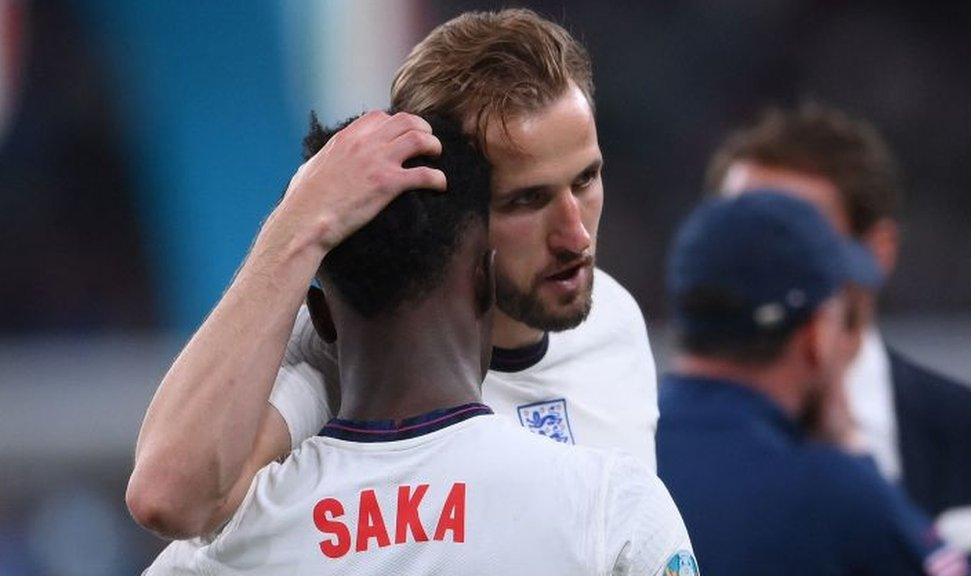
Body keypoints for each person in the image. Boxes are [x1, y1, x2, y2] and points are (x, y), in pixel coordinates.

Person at [127, 9, 658, 540]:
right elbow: (166, 497)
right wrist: (296, 223)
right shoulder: (358, 356)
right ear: (448, 207)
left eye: (586, 180)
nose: (575, 237)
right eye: (526, 200)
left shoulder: (616, 320)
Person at [143, 114, 695, 575]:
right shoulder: (608, 510)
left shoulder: (223, 549)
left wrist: (297, 223)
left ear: (321, 319)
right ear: (486, 280)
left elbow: (162, 492)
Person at [707, 104, 971, 574]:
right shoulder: (657, 448)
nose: (760, 266)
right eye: (739, 238)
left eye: (794, 237)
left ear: (877, 253)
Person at [657, 192, 971, 576]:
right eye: (842, 318)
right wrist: (856, 456)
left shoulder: (614, 449)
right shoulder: (830, 490)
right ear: (815, 338)